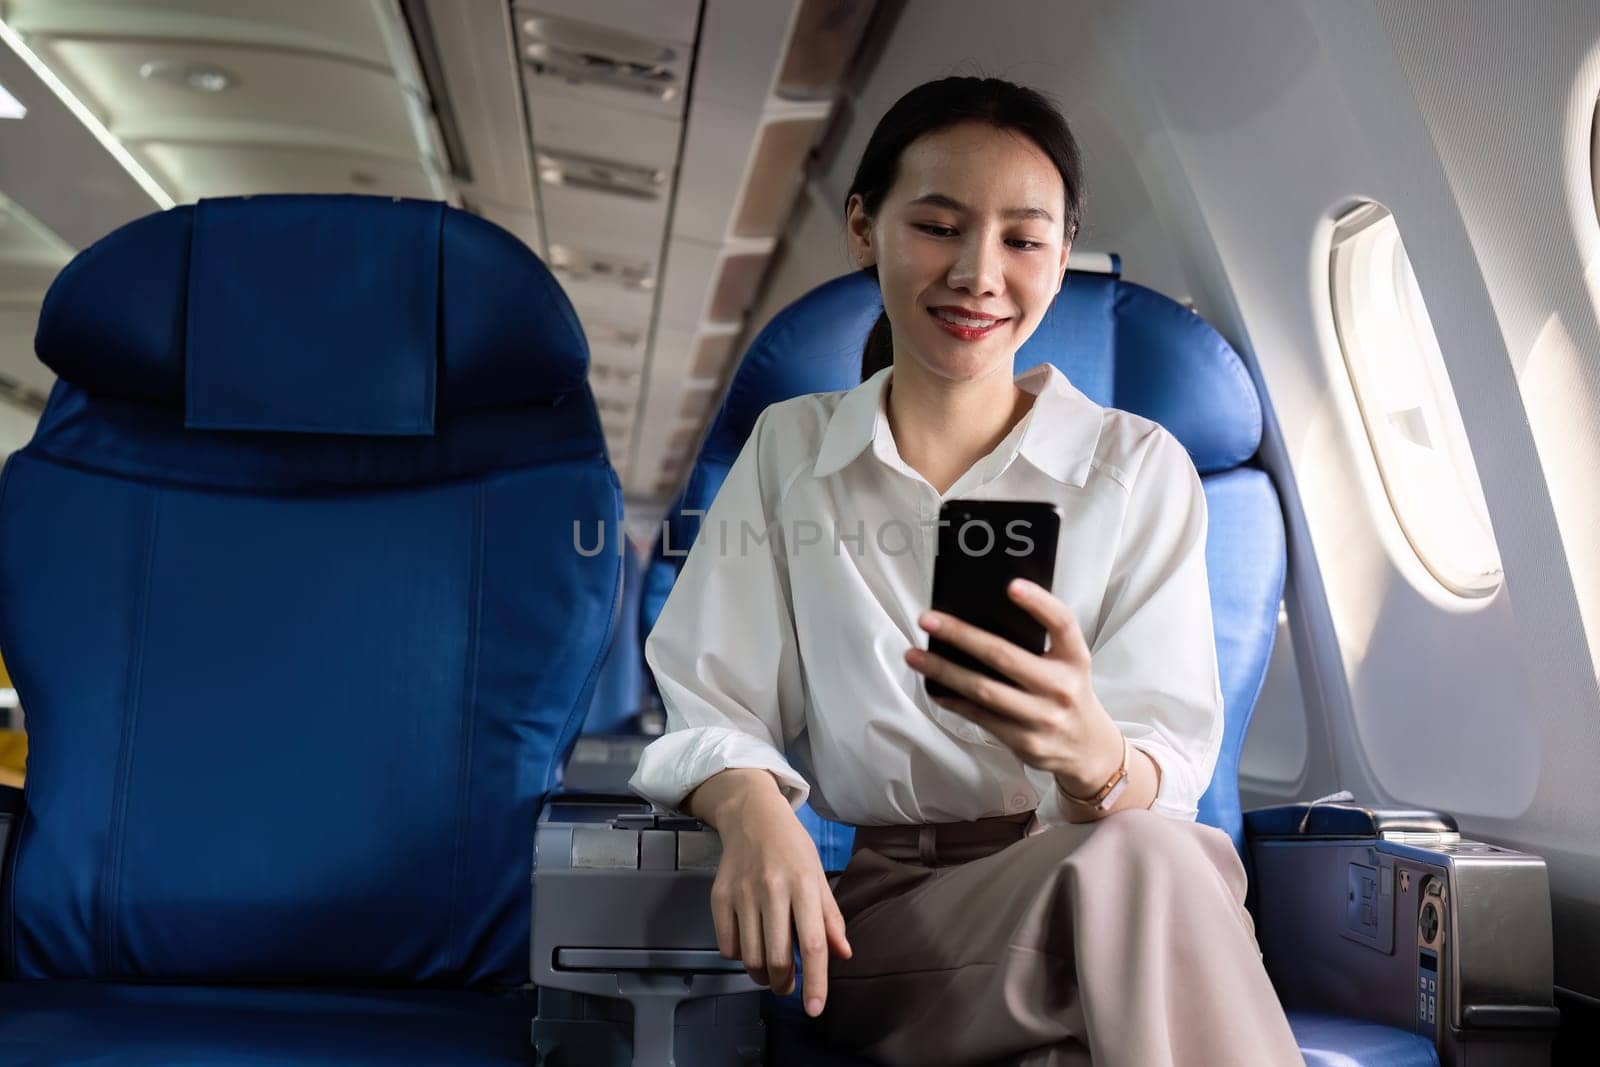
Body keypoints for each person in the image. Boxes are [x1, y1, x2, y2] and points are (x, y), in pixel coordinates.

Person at [629, 76, 1303, 1066]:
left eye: (1023, 240)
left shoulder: (1138, 466)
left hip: (1108, 881)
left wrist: (1091, 753)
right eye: (939, 226)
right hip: (894, 921)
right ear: (863, 228)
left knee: (1128, 896)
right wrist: (748, 802)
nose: (979, 273)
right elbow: (706, 700)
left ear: (1062, 254)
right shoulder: (792, 449)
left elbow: (1163, 762)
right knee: (1151, 865)